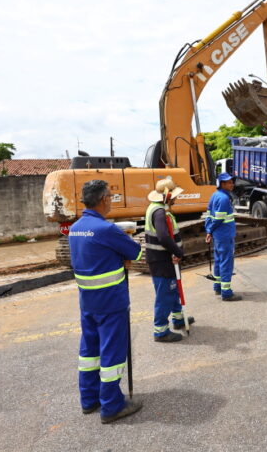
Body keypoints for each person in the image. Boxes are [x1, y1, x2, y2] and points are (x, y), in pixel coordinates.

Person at [69, 179, 143, 424]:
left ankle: (89, 400)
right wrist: (122, 258)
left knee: (89, 353)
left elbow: (91, 258)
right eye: (110, 196)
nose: (111, 200)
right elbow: (136, 252)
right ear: (103, 199)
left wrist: (114, 258)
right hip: (111, 302)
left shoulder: (75, 228)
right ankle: (111, 405)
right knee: (112, 353)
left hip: (88, 302)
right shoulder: (106, 229)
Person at [145, 176, 194, 343]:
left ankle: (178, 318)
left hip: (163, 259)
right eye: (174, 196)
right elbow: (163, 237)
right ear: (167, 196)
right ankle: (161, 331)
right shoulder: (159, 212)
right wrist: (178, 252)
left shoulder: (155, 208)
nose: (176, 199)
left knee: (173, 290)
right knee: (165, 295)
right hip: (162, 261)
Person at [205, 172, 241, 301]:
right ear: (222, 184)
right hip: (225, 235)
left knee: (219, 261)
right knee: (226, 263)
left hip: (218, 235)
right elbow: (218, 219)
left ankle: (218, 287)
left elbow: (209, 215)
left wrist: (209, 231)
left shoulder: (215, 195)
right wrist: (210, 230)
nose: (232, 184)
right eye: (229, 182)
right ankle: (226, 293)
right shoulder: (224, 199)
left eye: (232, 182)